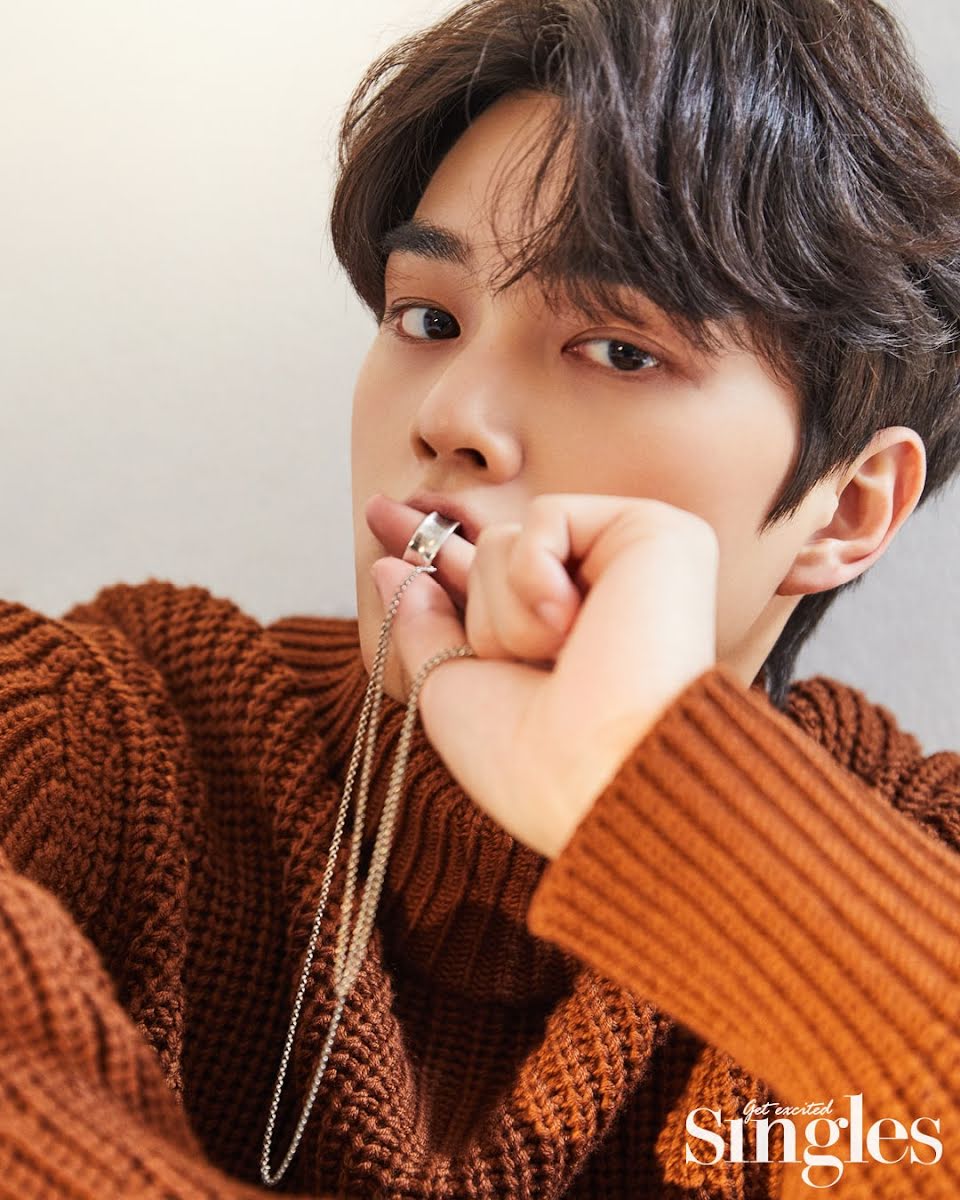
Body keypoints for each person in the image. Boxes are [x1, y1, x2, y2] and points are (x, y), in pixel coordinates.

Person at [1, 0, 958, 1196]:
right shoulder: (96, 738)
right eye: (428, 318)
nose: (446, 414)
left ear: (849, 508)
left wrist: (670, 809)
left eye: (620, 349)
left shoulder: (924, 868)